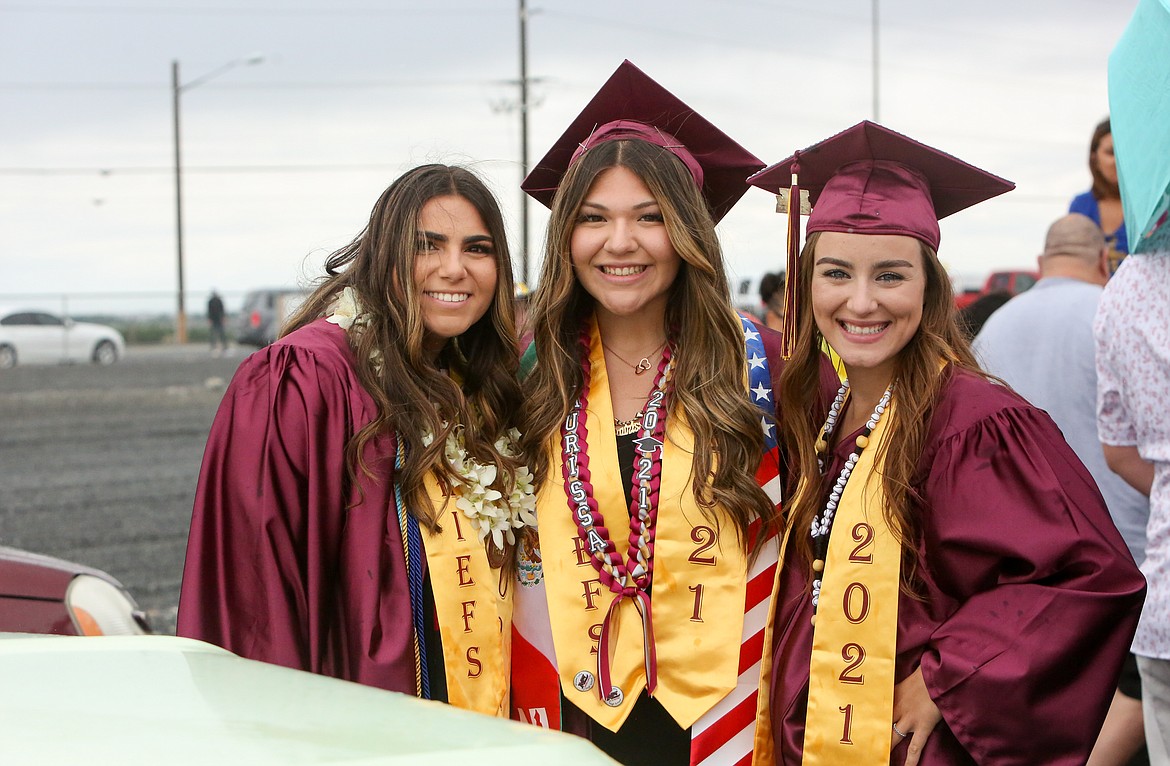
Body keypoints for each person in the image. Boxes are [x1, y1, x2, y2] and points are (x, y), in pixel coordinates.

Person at [748, 121, 1146, 765]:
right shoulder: (823, 407)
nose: (860, 300)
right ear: (807, 282)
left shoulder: (974, 421)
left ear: (930, 286)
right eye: (836, 272)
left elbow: (1086, 576)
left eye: (890, 276)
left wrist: (949, 675)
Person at [509, 60, 804, 766]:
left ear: (690, 232)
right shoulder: (528, 374)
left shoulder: (762, 367)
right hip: (569, 719)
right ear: (565, 236)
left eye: (651, 217)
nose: (620, 243)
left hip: (729, 721)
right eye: (594, 219)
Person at [177, 164, 535, 717]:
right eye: (427, 245)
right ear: (385, 254)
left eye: (477, 249)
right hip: (352, 722)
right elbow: (260, 601)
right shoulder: (305, 378)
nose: (453, 268)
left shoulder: (476, 391)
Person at [974, 212, 1150, 766]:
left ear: (1040, 266)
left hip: (1022, 566)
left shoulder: (994, 326)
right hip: (1126, 557)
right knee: (1131, 702)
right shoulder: (1115, 315)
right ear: (1104, 263)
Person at [1071, 118, 1129, 270]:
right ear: (1094, 158)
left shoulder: (1149, 207)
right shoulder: (1081, 206)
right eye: (1111, 153)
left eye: (1125, 152)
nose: (1118, 160)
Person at [207, 290, 227, 355]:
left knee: (220, 333)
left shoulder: (217, 301)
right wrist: (210, 319)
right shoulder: (211, 301)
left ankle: (224, 346)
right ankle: (213, 346)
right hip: (215, 319)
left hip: (218, 319)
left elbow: (222, 310)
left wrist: (223, 318)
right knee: (214, 334)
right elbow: (209, 311)